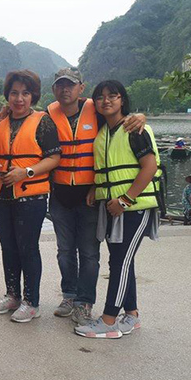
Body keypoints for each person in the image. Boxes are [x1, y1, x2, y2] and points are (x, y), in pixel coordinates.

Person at [47, 67, 146, 326]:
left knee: (89, 253)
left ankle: (84, 302)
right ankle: (69, 295)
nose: (65, 89)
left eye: (70, 84)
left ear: (81, 87)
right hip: (60, 195)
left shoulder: (97, 110)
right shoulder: (47, 114)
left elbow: (122, 118)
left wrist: (140, 116)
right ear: (54, 89)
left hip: (90, 196)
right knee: (64, 252)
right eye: (60, 85)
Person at [75, 80, 162, 339]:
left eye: (113, 96)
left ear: (122, 99)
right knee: (123, 261)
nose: (106, 101)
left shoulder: (135, 129)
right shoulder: (105, 132)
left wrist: (125, 200)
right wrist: (96, 189)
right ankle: (131, 315)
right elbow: (108, 169)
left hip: (134, 208)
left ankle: (109, 320)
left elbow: (150, 167)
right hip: (112, 207)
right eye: (100, 97)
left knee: (120, 262)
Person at [0, 70, 61, 323]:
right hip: (1, 194)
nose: (19, 98)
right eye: (14, 93)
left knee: (28, 248)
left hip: (32, 196)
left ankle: (31, 301)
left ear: (33, 96)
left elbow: (54, 158)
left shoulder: (44, 122)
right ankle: (12, 294)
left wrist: (25, 172)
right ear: (7, 95)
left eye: (25, 93)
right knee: (8, 246)